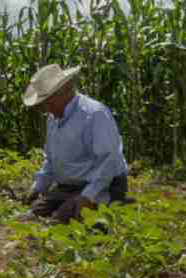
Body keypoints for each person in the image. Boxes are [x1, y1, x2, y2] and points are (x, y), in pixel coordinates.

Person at [23, 64, 130, 223]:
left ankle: (115, 204)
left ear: (64, 92)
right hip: (69, 186)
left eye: (48, 103)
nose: (46, 109)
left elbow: (109, 161)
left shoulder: (94, 114)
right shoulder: (53, 117)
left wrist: (88, 196)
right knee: (33, 213)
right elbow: (52, 159)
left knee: (60, 222)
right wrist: (38, 186)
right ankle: (71, 203)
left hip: (104, 184)